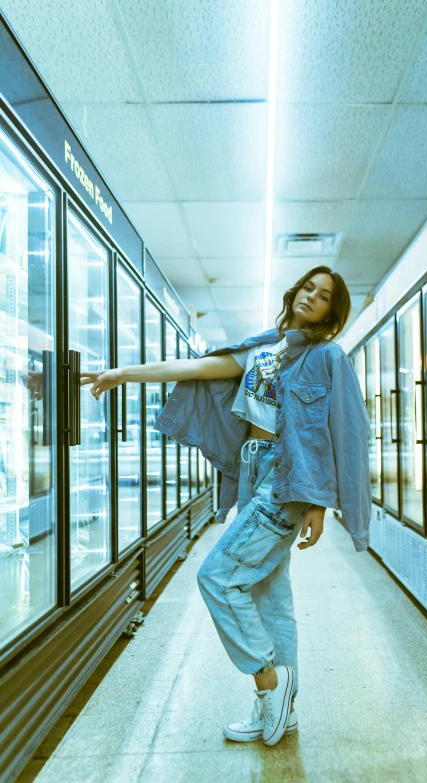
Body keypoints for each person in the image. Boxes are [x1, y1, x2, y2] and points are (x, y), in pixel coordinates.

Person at [80, 264, 371, 748]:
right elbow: (195, 367)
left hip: (287, 480)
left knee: (215, 576)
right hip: (252, 468)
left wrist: (322, 501)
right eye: (308, 288)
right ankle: (284, 709)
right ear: (294, 291)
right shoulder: (262, 348)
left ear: (331, 315)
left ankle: (268, 685)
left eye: (323, 297)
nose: (311, 297)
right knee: (269, 592)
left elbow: (345, 429)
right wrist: (123, 373)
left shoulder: (328, 357)